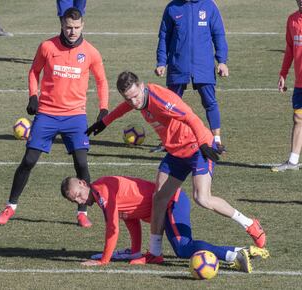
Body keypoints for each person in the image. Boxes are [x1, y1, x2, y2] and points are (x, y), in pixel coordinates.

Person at [86, 71, 266, 263]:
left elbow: (190, 117)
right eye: (128, 99)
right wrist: (105, 122)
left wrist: (205, 143)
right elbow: (124, 108)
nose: (134, 103)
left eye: (135, 96)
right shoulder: (135, 100)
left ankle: (250, 224)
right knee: (159, 198)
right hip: (176, 152)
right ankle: (155, 253)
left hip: (197, 147)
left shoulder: (160, 98)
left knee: (202, 198)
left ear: (142, 86)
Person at [0, 8, 109, 227]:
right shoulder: (47, 47)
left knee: (81, 163)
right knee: (28, 160)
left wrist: (103, 109)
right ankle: (10, 206)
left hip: (75, 115)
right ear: (62, 25)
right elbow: (33, 71)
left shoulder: (91, 52)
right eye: (68, 27)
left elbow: (102, 81)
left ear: (82, 25)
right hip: (47, 113)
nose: (72, 32)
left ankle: (82, 211)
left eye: (76, 27)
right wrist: (33, 96)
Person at [61, 175, 269, 272]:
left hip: (173, 202)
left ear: (83, 183)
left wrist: (103, 260)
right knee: (182, 247)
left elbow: (113, 229)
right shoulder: (99, 194)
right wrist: (135, 252)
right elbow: (131, 219)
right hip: (167, 207)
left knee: (183, 247)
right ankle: (241, 250)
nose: (80, 201)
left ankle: (234, 254)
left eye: (79, 195)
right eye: (75, 201)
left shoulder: (102, 192)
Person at [154, 0, 228, 154]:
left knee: (210, 102)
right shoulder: (172, 8)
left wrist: (222, 61)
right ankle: (168, 140)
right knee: (170, 105)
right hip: (178, 65)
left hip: (203, 66)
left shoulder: (209, 6)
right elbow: (164, 37)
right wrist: (161, 62)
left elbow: (218, 34)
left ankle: (216, 140)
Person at [271, 0, 302, 172]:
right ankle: (293, 161)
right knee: (298, 119)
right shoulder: (292, 20)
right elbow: (290, 49)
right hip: (300, 82)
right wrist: (283, 74)